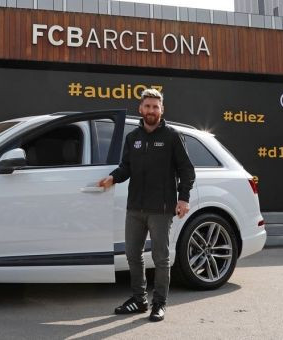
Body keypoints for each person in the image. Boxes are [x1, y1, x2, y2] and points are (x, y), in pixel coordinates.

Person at [98, 88, 195, 322]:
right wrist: (113, 177)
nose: (151, 110)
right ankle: (139, 300)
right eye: (147, 106)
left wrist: (183, 199)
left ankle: (159, 304)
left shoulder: (172, 136)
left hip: (161, 209)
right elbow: (126, 167)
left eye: (155, 106)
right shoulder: (133, 138)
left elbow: (186, 171)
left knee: (161, 258)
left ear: (162, 110)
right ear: (140, 109)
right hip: (135, 208)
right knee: (133, 254)